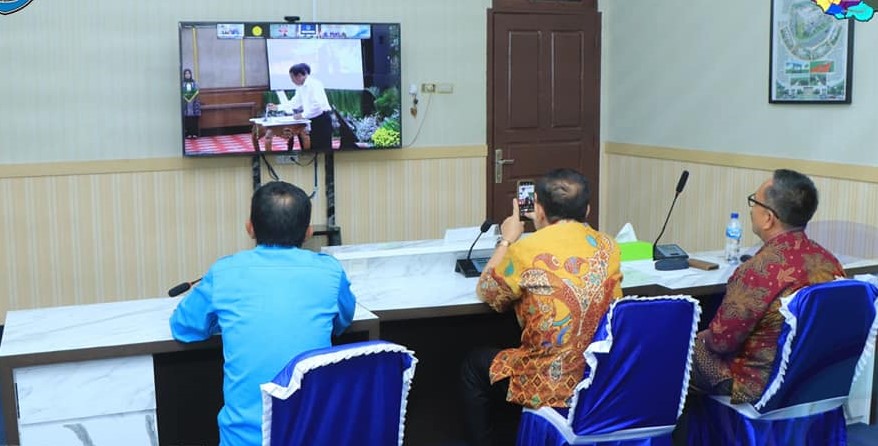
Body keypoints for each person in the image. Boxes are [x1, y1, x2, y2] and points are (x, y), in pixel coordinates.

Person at [169, 181, 356, 445]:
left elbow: (184, 328)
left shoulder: (224, 272)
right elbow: (343, 321)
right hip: (312, 435)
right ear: (308, 232)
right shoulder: (330, 272)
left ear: (250, 228)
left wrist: (225, 321)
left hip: (245, 439)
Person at [460, 168, 623, 446]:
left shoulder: (526, 249)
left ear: (538, 208)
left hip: (548, 381)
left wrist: (507, 239)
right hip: (598, 377)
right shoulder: (609, 246)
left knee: (474, 365)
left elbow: (487, 290)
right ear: (587, 209)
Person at [691, 169, 844, 403]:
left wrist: (701, 336)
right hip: (814, 378)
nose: (751, 208)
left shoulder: (759, 271)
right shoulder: (829, 261)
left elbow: (722, 342)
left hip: (758, 384)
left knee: (677, 345)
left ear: (768, 218)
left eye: (754, 202)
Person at [289, 63, 333, 150]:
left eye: (292, 78)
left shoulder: (314, 84)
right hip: (311, 120)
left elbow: (317, 106)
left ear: (299, 75)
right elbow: (295, 103)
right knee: (310, 148)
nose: (292, 81)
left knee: (322, 148)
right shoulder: (301, 87)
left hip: (321, 120)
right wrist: (278, 107)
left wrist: (302, 115)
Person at [181, 68, 201, 139]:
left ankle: (195, 133)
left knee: (194, 119)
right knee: (187, 119)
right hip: (186, 103)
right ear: (184, 75)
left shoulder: (194, 83)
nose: (187, 75)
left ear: (190, 74)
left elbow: (197, 90)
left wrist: (192, 95)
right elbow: (181, 92)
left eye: (188, 73)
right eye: (186, 74)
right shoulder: (182, 84)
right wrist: (186, 96)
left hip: (194, 103)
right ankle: (188, 134)